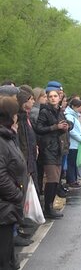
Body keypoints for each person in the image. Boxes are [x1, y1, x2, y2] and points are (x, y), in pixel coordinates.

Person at [34, 88, 70, 219]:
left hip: (58, 148)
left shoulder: (59, 111)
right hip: (48, 149)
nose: (53, 98)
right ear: (48, 99)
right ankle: (48, 207)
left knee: (56, 180)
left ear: (59, 98)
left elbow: (64, 124)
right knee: (52, 179)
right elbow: (39, 128)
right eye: (51, 97)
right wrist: (55, 127)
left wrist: (67, 126)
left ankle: (50, 205)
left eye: (55, 96)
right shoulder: (45, 111)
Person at [0, 96, 25, 270]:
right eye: (15, 114)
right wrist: (16, 194)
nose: (17, 117)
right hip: (4, 205)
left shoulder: (7, 135)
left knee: (7, 253)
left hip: (7, 206)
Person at [64, 99, 81, 188]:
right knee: (71, 163)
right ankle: (71, 180)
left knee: (74, 162)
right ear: (74, 107)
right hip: (72, 144)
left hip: (76, 144)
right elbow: (71, 130)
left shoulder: (75, 116)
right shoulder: (69, 116)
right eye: (80, 106)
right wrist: (80, 138)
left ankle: (74, 179)